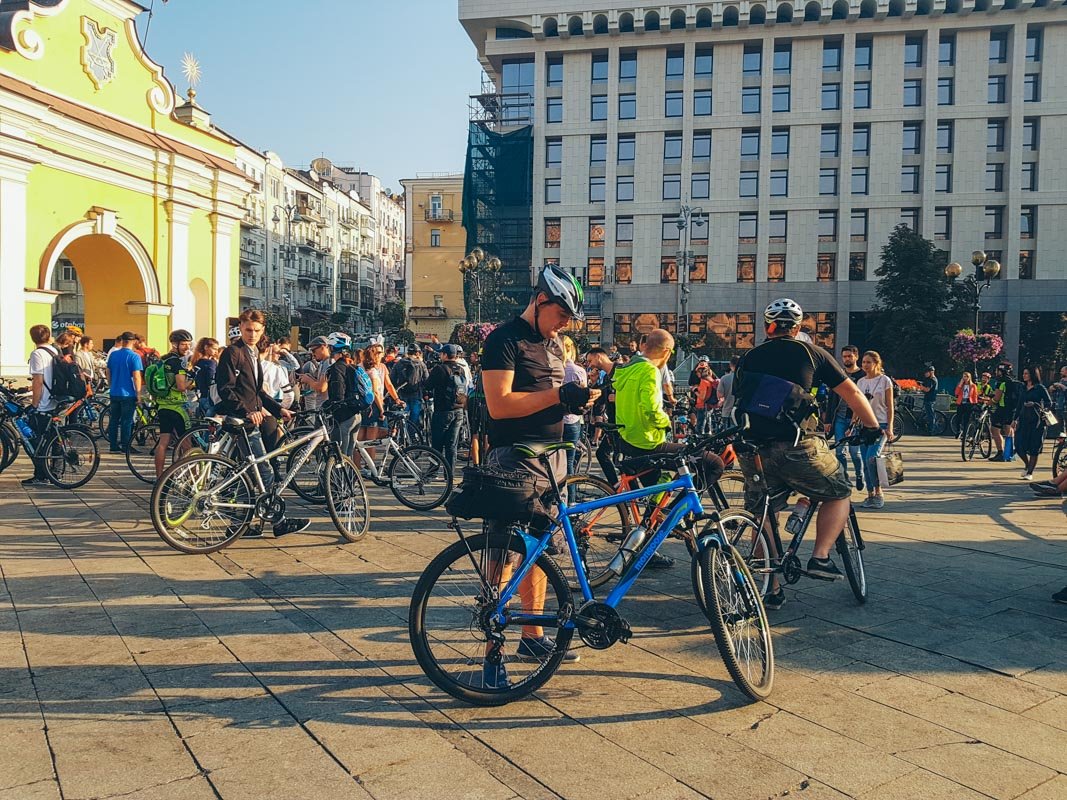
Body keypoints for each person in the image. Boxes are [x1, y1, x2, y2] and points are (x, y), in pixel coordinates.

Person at [480, 264, 594, 687]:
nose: (565, 325)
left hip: (553, 458)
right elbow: (501, 405)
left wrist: (573, 403)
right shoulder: (503, 341)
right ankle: (493, 653)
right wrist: (557, 394)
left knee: (542, 550)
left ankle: (533, 634)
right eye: (561, 315)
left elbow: (548, 399)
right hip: (514, 460)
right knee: (504, 556)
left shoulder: (555, 345)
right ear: (541, 301)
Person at [734, 299, 881, 609]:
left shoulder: (749, 357)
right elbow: (852, 393)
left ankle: (770, 588)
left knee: (763, 516)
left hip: (754, 449)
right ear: (798, 328)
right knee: (838, 492)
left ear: (766, 327)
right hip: (798, 445)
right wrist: (872, 426)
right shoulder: (811, 353)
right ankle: (821, 557)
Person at [613, 328, 725, 569]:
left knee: (660, 491)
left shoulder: (627, 368)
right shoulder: (650, 371)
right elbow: (651, 410)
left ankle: (646, 543)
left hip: (629, 441)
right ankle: (672, 515)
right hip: (650, 441)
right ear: (666, 352)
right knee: (714, 463)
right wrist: (667, 419)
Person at [215, 309, 307, 538]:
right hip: (242, 421)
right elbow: (225, 389)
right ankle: (279, 522)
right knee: (263, 470)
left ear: (262, 330)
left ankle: (240, 524)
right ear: (241, 328)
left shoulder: (253, 352)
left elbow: (257, 392)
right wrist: (247, 411)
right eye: (248, 330)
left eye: (256, 331)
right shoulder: (232, 353)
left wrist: (279, 409)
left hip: (251, 417)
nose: (252, 334)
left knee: (247, 473)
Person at [356, 340, 403, 473]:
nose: (383, 354)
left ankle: (357, 467)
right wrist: (382, 409)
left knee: (361, 439)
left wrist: (396, 398)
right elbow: (376, 391)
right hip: (374, 405)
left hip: (362, 405)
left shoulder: (372, 367)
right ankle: (369, 468)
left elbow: (388, 385)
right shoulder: (372, 370)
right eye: (380, 352)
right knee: (371, 439)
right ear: (375, 354)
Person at [151, 330, 193, 478]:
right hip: (177, 407)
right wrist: (192, 379)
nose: (187, 347)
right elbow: (181, 386)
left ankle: (159, 477)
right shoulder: (178, 363)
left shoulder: (162, 360)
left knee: (163, 442)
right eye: (183, 344)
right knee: (187, 443)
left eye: (189, 344)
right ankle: (194, 478)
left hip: (163, 406)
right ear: (174, 344)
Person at [856, 351, 894, 509]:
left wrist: (890, 426)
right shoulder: (860, 382)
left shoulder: (885, 381)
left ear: (876, 363)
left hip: (881, 425)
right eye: (863, 362)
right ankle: (870, 494)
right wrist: (853, 424)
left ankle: (879, 493)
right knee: (865, 461)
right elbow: (857, 405)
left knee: (872, 458)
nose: (865, 365)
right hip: (864, 426)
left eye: (868, 362)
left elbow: (890, 406)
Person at [23, 325, 61, 486]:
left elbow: (38, 380)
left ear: (33, 338)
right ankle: (56, 472)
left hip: (44, 403)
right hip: (56, 400)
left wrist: (35, 403)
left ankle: (41, 474)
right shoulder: (54, 351)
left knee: (31, 439)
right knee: (54, 438)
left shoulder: (37, 354)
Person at [825, 345, 865, 491]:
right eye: (844, 357)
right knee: (839, 451)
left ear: (856, 357)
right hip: (840, 417)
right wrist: (828, 420)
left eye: (849, 356)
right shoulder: (839, 374)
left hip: (855, 419)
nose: (846, 359)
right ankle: (844, 478)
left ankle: (859, 474)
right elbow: (831, 398)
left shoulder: (862, 375)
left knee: (855, 452)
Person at [426, 343, 468, 474]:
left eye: (441, 353)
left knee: (437, 444)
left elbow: (428, 385)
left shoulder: (440, 369)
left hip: (443, 410)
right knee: (452, 444)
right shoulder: (461, 369)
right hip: (458, 410)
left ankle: (432, 472)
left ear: (445, 355)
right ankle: (449, 473)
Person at [324, 333, 363, 457]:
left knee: (339, 457)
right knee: (348, 456)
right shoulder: (352, 366)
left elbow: (338, 394)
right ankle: (350, 476)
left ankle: (336, 476)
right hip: (356, 415)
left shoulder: (336, 368)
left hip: (343, 418)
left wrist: (327, 406)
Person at [105, 331, 144, 455]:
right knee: (127, 421)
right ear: (133, 342)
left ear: (122, 340)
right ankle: (126, 445)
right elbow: (137, 376)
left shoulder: (114, 355)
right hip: (128, 393)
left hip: (114, 392)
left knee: (114, 420)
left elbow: (108, 371)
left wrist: (111, 385)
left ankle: (113, 445)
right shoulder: (134, 356)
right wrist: (138, 393)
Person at [1014, 365, 1052, 481]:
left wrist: (1035, 404)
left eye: (1026, 373)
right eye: (1023, 373)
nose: (1024, 376)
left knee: (1034, 447)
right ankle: (1027, 464)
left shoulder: (1039, 388)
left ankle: (1030, 472)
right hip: (1024, 419)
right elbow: (1019, 404)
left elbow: (1049, 402)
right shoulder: (1023, 387)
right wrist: (1014, 419)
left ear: (1032, 375)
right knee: (1019, 445)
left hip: (1037, 421)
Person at [560, 335, 586, 479]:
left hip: (555, 419)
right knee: (569, 461)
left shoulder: (554, 369)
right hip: (573, 419)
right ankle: (571, 498)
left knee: (553, 461)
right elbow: (585, 395)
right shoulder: (579, 371)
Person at [391, 345, 429, 428]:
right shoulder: (421, 364)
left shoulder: (399, 363)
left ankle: (403, 435)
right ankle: (412, 434)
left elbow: (392, 379)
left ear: (407, 352)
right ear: (417, 353)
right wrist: (426, 393)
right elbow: (426, 380)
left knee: (404, 416)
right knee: (414, 417)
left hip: (402, 394)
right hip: (416, 394)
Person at [989, 363, 1019, 461]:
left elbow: (997, 398)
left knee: (994, 429)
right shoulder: (1012, 381)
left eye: (997, 370)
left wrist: (989, 402)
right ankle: (1009, 453)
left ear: (1001, 371)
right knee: (1008, 429)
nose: (996, 372)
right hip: (1012, 409)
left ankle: (1000, 452)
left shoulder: (1000, 382)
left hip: (1002, 409)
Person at [297, 336, 332, 413]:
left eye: (314, 350)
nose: (313, 354)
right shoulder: (323, 363)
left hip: (325, 407)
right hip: (323, 406)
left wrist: (308, 380)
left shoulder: (327, 363)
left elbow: (321, 388)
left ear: (323, 347)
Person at [189, 337, 219, 418]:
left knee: (205, 424)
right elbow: (212, 380)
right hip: (210, 398)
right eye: (214, 348)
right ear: (206, 348)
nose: (216, 351)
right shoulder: (210, 363)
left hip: (201, 397)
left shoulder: (197, 362)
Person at [954, 371, 978, 440]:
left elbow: (975, 395)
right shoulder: (961, 385)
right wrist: (960, 384)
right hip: (961, 403)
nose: (965, 378)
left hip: (969, 403)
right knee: (958, 418)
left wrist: (974, 404)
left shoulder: (973, 385)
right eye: (963, 377)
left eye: (966, 377)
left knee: (966, 419)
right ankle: (958, 431)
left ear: (969, 377)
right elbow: (956, 393)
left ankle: (965, 433)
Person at [717, 356, 740, 421]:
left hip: (727, 412)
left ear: (730, 365)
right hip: (741, 412)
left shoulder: (724, 378)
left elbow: (720, 395)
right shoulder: (746, 378)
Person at [919, 364, 939, 433]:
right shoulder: (930, 379)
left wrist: (921, 387)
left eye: (926, 372)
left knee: (930, 415)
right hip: (928, 399)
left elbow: (927, 389)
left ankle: (931, 430)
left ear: (931, 372)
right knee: (928, 414)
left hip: (930, 399)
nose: (925, 374)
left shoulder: (932, 380)